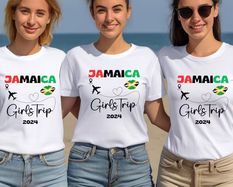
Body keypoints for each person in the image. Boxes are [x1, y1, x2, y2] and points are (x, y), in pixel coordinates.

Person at [60, 0, 170, 186]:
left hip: (134, 163)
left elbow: (156, 114)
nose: (109, 18)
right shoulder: (76, 57)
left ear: (128, 12)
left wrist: (195, 133)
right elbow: (62, 109)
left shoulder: (146, 58)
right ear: (92, 14)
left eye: (117, 9)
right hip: (85, 164)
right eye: (101, 10)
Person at [157, 0, 233, 186]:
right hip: (173, 172)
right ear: (178, 15)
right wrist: (182, 129)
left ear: (216, 9)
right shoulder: (166, 57)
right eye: (186, 12)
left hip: (225, 172)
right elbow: (150, 106)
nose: (196, 18)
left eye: (204, 10)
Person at [0, 0, 67, 186]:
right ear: (13, 13)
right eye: (25, 11)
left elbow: (78, 107)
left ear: (49, 18)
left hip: (51, 168)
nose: (31, 20)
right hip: (3, 165)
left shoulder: (61, 60)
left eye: (39, 13)